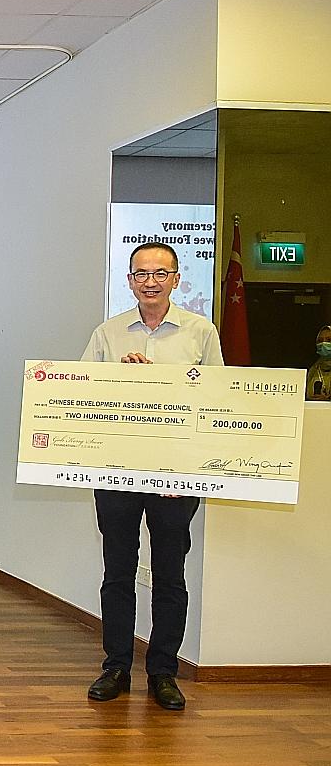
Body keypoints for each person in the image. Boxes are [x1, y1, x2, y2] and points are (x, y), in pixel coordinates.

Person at [82, 241, 224, 711]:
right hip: (118, 470)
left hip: (175, 476)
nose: (150, 281)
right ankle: (116, 665)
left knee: (170, 575)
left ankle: (164, 671)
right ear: (129, 281)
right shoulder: (107, 333)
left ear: (176, 280)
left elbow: (217, 400)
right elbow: (80, 397)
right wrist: (119, 380)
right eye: (141, 273)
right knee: (117, 572)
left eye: (160, 273)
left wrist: (167, 379)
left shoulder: (201, 332)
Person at [308, 325, 331, 402]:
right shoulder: (313, 370)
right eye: (320, 341)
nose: (323, 343)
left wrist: (327, 400)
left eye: (329, 340)